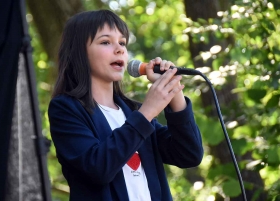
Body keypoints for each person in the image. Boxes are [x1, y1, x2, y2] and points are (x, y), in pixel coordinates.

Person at [48, 9, 203, 201]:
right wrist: (147, 112)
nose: (119, 49)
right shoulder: (65, 109)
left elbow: (189, 154)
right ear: (79, 53)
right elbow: (98, 168)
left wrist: (173, 89)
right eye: (105, 42)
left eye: (122, 42)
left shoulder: (133, 112)